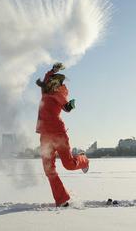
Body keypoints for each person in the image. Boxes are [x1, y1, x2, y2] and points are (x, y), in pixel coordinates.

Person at [35, 63, 89, 207]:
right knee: (49, 170)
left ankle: (83, 160)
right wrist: (53, 70)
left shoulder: (59, 92)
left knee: (69, 165)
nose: (49, 81)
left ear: (57, 83)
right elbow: (46, 78)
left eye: (53, 80)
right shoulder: (45, 90)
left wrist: (71, 105)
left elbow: (66, 107)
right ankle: (62, 199)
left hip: (58, 134)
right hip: (45, 136)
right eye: (50, 79)